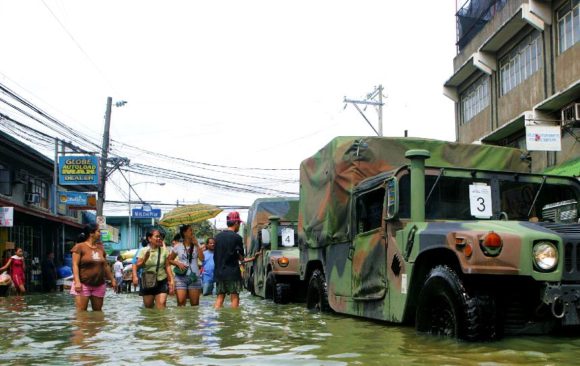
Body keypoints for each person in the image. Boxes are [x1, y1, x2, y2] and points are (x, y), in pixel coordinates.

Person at [70, 224, 116, 311]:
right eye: (98, 231)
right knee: (81, 314)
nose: (100, 234)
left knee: (98, 313)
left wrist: (112, 280)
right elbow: (75, 265)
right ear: (91, 233)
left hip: (99, 284)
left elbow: (105, 265)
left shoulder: (100, 248)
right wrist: (77, 282)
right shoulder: (79, 247)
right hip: (83, 284)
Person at [213, 211, 247, 309]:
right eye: (239, 223)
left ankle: (218, 319)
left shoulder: (217, 237)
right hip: (232, 273)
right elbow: (241, 257)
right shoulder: (237, 237)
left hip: (219, 273)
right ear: (236, 223)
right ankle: (234, 320)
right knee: (235, 297)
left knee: (220, 297)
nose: (239, 226)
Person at [134, 229, 174, 309]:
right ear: (149, 238)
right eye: (156, 236)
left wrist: (171, 281)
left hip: (162, 281)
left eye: (160, 237)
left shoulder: (164, 251)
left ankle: (161, 321)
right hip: (148, 281)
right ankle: (153, 321)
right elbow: (137, 266)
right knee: (148, 307)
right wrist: (145, 258)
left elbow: (167, 266)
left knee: (161, 305)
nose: (159, 238)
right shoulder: (143, 251)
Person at [168, 224, 204, 306]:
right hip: (180, 277)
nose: (192, 232)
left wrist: (197, 245)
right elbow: (169, 260)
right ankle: (182, 319)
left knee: (194, 305)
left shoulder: (196, 245)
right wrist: (177, 263)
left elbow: (202, 259)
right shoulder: (178, 246)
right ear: (184, 233)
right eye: (190, 230)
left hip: (194, 277)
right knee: (181, 304)